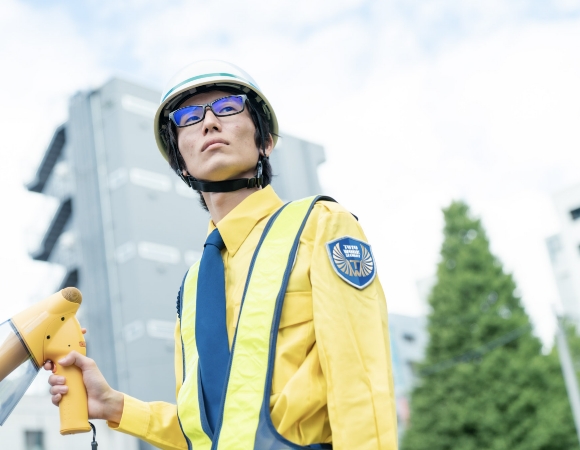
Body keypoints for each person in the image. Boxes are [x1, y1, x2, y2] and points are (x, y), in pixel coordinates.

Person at [47, 60, 398, 449]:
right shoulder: (194, 283)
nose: (209, 123)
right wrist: (115, 405)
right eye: (189, 116)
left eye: (228, 107)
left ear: (264, 140)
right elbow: (205, 428)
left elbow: (361, 385)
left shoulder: (319, 225)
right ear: (179, 158)